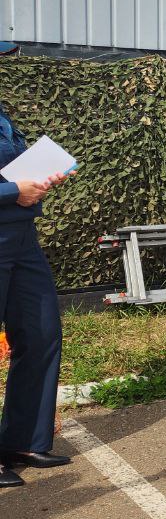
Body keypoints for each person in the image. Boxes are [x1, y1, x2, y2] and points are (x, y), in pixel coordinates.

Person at [0, 91, 73, 489]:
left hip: (21, 236)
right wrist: (14, 192)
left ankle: (23, 441)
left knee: (42, 332)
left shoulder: (2, 114)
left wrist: (42, 177)